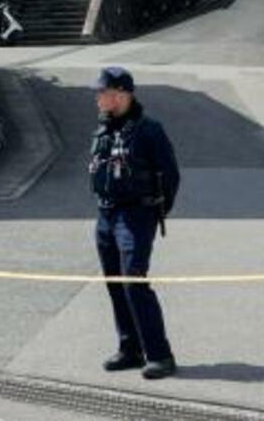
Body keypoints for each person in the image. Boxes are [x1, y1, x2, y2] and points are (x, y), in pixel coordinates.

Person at [89, 66, 180, 380]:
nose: (98, 98)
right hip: (106, 215)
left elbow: (171, 176)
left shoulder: (149, 130)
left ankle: (160, 355)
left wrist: (153, 212)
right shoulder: (104, 129)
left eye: (103, 92)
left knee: (134, 283)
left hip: (135, 216)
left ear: (121, 95)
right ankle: (130, 348)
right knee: (115, 283)